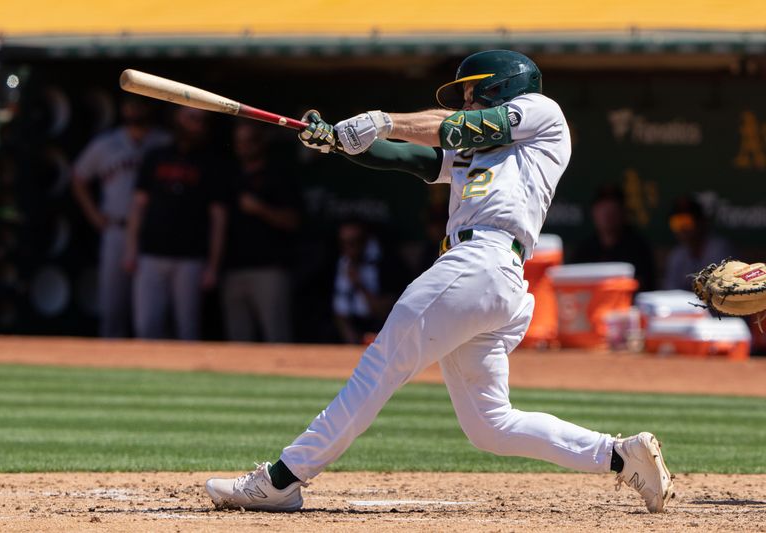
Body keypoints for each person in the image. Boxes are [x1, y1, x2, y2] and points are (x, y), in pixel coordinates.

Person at [204, 50, 674, 513]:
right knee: (490, 425)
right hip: (488, 277)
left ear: (501, 87)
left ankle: (284, 478)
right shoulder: (477, 151)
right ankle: (619, 455)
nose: (465, 104)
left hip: (483, 261)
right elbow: (408, 158)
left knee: (381, 364)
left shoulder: (540, 113)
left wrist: (381, 119)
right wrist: (335, 139)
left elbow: (453, 127)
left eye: (472, 94)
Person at [124, 108, 227, 340]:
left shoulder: (210, 161)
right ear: (177, 118)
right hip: (151, 253)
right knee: (147, 326)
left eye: (201, 120)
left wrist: (213, 264)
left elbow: (218, 218)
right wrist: (131, 250)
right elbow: (138, 206)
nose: (196, 125)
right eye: (191, 118)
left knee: (187, 329)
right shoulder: (156, 155)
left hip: (190, 257)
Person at [71, 97, 170, 337]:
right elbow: (78, 177)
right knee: (113, 308)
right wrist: (94, 215)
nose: (134, 110)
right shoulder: (106, 143)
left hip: (154, 234)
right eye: (129, 105)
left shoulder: (163, 142)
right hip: (116, 228)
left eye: (139, 105)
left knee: (153, 314)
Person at [221, 123, 301, 342]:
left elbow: (293, 221)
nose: (244, 147)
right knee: (238, 340)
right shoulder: (231, 176)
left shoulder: (278, 175)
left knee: (277, 336)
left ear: (260, 143)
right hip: (234, 269)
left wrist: (260, 209)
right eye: (239, 142)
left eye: (249, 141)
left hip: (270, 269)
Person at [332, 220, 407, 344]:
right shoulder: (342, 262)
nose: (348, 248)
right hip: (353, 332)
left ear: (364, 241)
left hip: (381, 332)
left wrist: (359, 285)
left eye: (353, 242)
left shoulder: (386, 264)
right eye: (343, 243)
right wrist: (352, 341)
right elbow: (339, 312)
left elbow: (384, 311)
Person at [572, 184, 657, 292]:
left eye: (613, 210)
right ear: (594, 212)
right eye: (603, 210)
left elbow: (645, 286)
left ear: (623, 212)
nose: (607, 215)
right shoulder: (585, 249)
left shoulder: (638, 247)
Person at [663, 196, 733, 291]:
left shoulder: (720, 250)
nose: (682, 229)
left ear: (701, 222)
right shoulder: (677, 254)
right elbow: (670, 290)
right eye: (677, 223)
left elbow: (725, 290)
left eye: (686, 222)